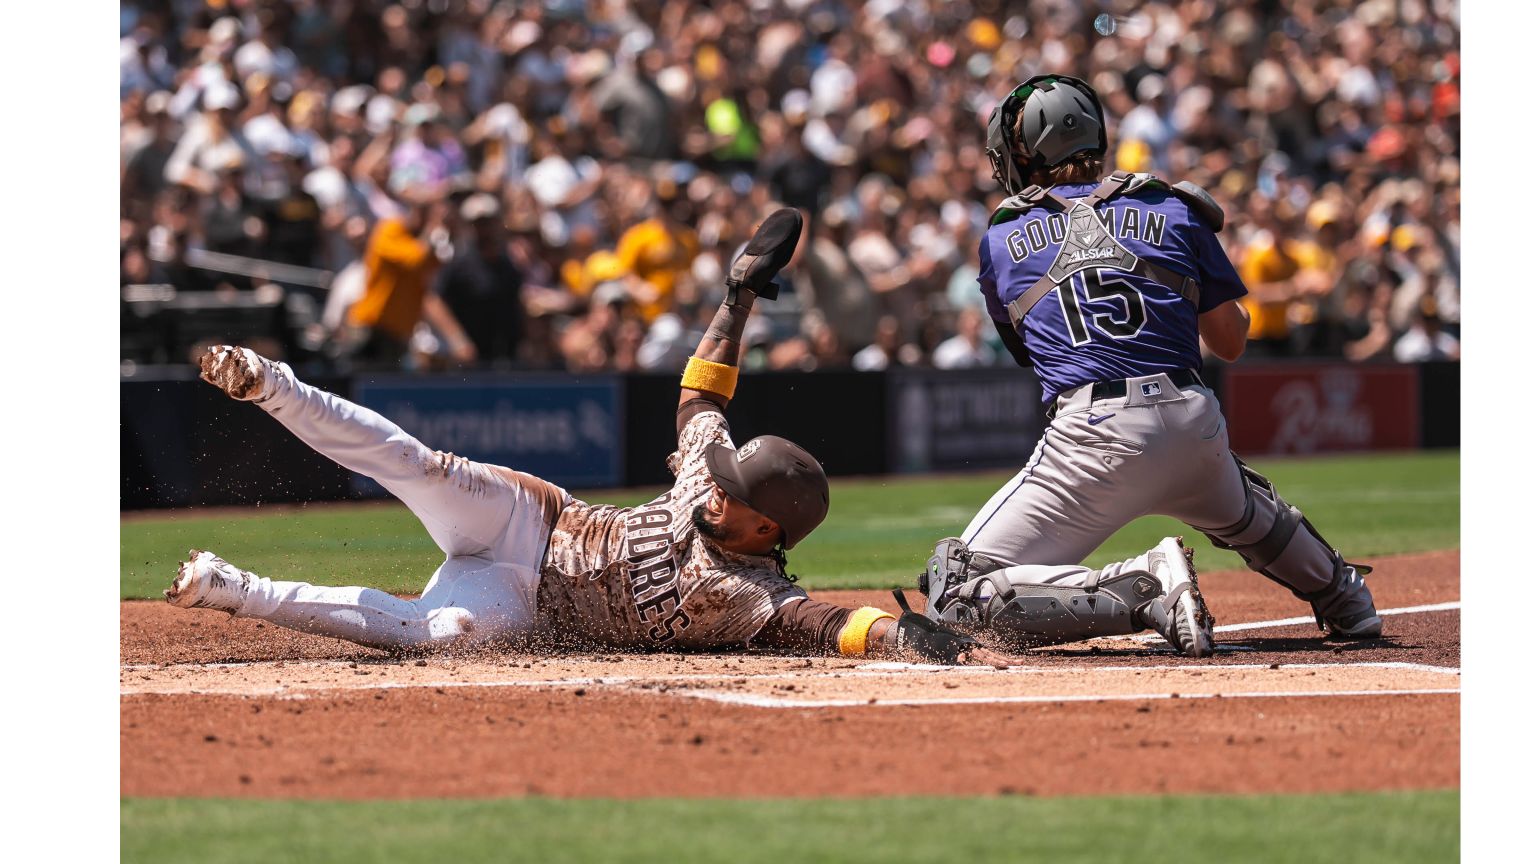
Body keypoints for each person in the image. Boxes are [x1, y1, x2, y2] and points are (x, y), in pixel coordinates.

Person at [165, 210, 1003, 666]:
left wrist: (905, 635)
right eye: (719, 477)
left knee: (436, 637)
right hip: (533, 522)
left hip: (521, 605)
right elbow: (699, 394)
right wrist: (738, 297)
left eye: (731, 491)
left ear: (766, 530)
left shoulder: (752, 598)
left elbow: (828, 626)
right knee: (418, 465)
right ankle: (270, 383)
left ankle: (233, 586)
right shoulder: (707, 485)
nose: (712, 485)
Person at [916, 75, 1382, 657]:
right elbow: (1232, 341)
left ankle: (1142, 589)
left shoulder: (1003, 234)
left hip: (1094, 431)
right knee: (1243, 513)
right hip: (1192, 416)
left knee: (955, 592)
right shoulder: (1170, 204)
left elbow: (1035, 355)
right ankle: (1345, 596)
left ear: (1028, 152)